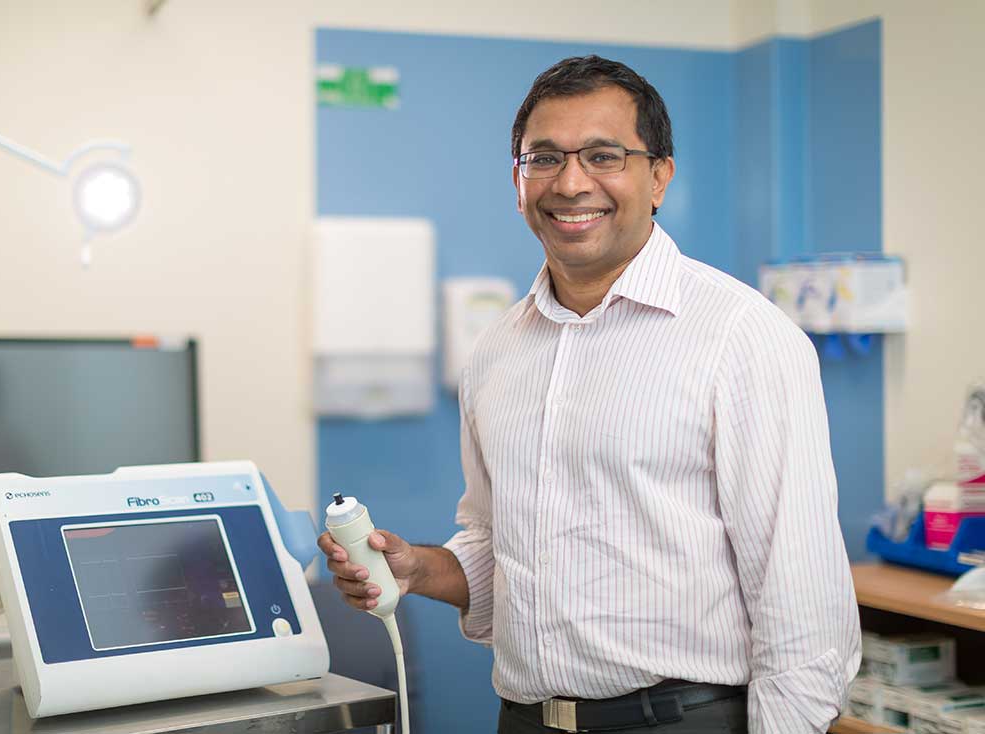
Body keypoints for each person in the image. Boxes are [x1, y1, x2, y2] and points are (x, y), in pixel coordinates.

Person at [318, 55, 860, 734]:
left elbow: (801, 601)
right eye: (543, 158)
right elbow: (497, 542)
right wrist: (420, 569)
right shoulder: (497, 352)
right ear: (517, 182)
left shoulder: (741, 336)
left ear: (659, 176)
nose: (571, 183)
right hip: (525, 718)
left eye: (604, 156)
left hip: (679, 720)